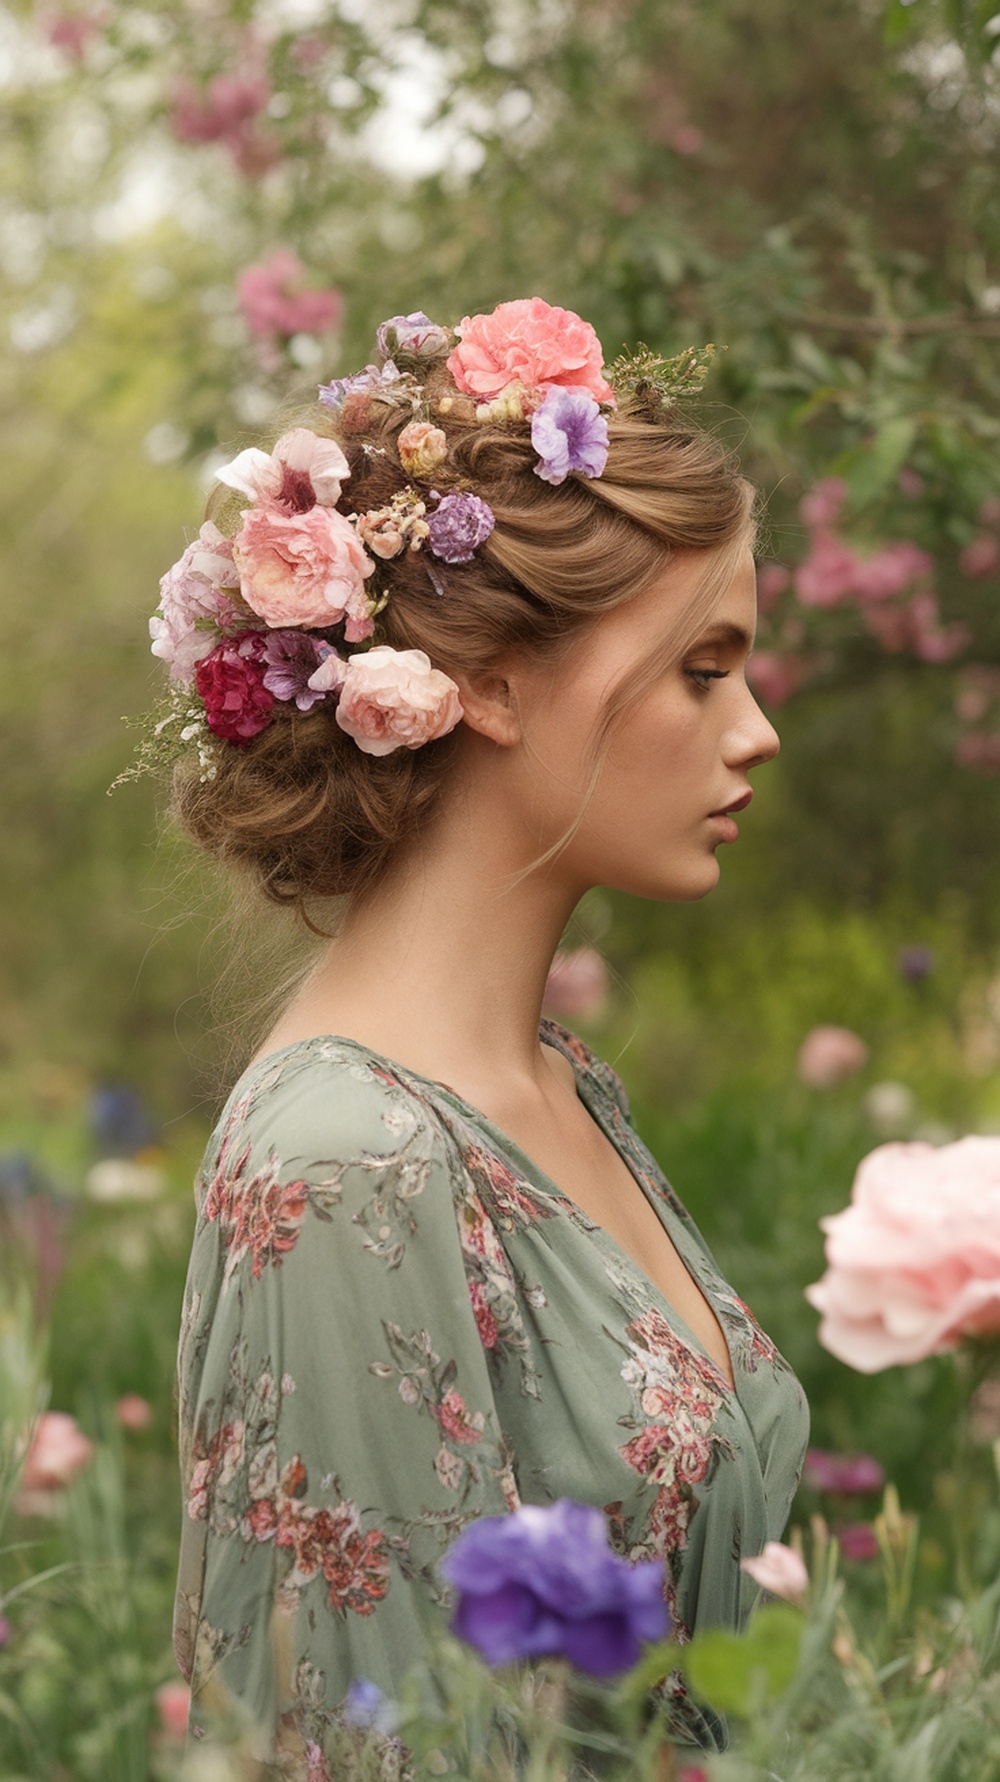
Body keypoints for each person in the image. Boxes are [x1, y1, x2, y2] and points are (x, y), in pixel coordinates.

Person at [156, 299, 809, 1766]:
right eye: (704, 668)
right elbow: (373, 1734)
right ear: (496, 681)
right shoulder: (345, 1160)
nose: (757, 727)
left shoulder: (563, 1086)